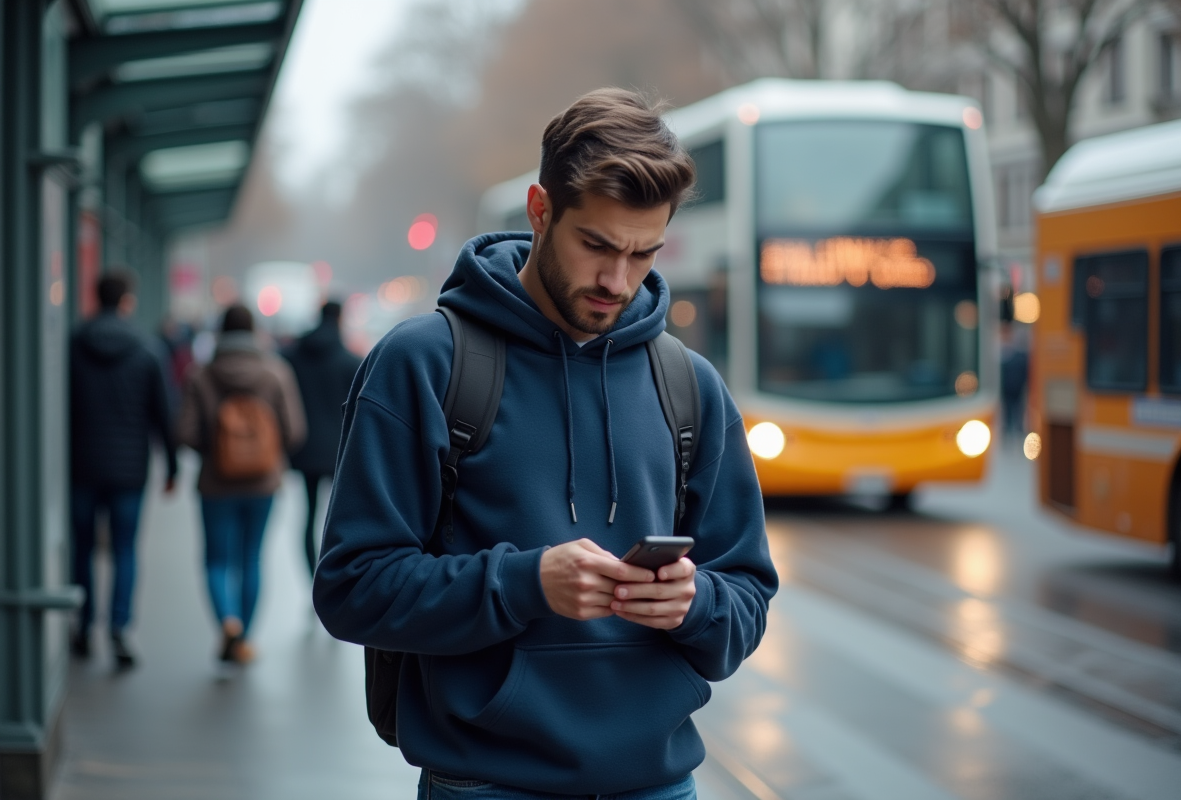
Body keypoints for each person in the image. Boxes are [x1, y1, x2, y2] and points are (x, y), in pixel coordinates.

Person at [313, 89, 777, 799]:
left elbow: (746, 597)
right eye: (596, 245)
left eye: (644, 252)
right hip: (485, 784)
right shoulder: (424, 364)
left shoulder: (692, 386)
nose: (617, 280)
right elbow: (352, 588)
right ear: (540, 211)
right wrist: (525, 584)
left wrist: (698, 601)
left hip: (660, 784)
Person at [178, 304, 306, 665]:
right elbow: (295, 431)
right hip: (263, 484)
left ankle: (227, 624)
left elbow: (184, 431)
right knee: (251, 557)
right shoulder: (276, 372)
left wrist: (216, 449)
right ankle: (245, 637)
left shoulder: (200, 375)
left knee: (217, 559)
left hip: (216, 485)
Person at [69, 270, 178, 669]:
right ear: (127, 301)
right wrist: (172, 465)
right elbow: (162, 413)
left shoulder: (74, 344)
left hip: (81, 465)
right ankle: (119, 628)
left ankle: (82, 626)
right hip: (130, 469)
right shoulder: (147, 349)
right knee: (124, 549)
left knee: (82, 547)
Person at [281, 301, 362, 578]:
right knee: (340, 516)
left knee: (308, 515)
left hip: (303, 448)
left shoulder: (292, 356)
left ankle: (311, 578)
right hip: (339, 451)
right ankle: (335, 575)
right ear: (339, 318)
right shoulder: (350, 361)